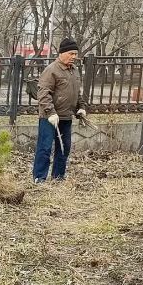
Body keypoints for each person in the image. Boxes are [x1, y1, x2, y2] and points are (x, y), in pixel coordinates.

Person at [33, 37, 88, 182]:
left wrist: (81, 108)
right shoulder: (51, 70)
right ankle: (39, 178)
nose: (74, 57)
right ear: (61, 53)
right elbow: (43, 93)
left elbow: (76, 92)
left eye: (75, 54)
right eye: (71, 54)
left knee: (64, 148)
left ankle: (58, 177)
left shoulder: (74, 71)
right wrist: (50, 112)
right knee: (44, 148)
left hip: (66, 117)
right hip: (50, 118)